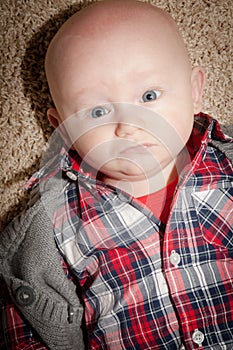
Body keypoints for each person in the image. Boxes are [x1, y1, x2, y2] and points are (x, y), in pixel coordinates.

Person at [0, 0, 233, 349]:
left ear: (195, 89)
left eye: (149, 96)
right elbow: (24, 323)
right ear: (62, 128)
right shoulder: (51, 226)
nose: (128, 126)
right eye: (97, 111)